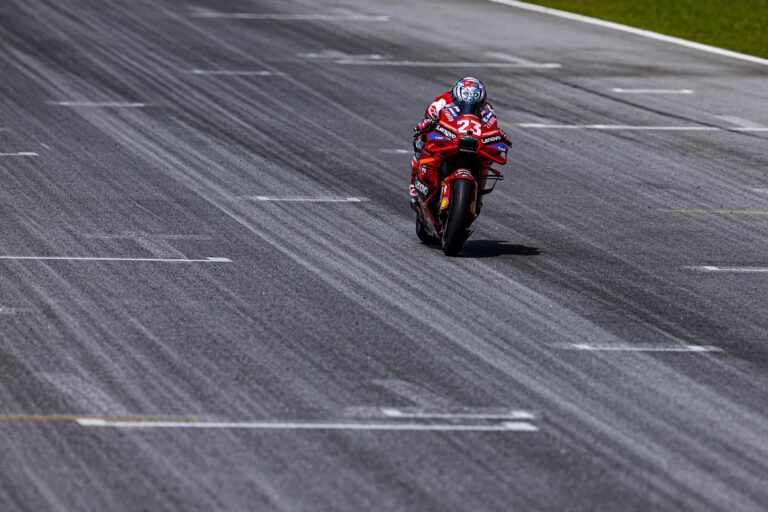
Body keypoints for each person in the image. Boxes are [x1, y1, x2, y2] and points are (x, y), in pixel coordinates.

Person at [409, 77, 507, 207]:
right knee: (420, 141)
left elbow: (490, 125)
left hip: (472, 141)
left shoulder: (487, 108)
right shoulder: (442, 101)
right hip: (448, 137)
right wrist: (426, 123)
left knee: (489, 155)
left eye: (475, 104)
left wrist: (498, 134)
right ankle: (413, 183)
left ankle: (478, 194)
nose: (471, 107)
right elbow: (429, 116)